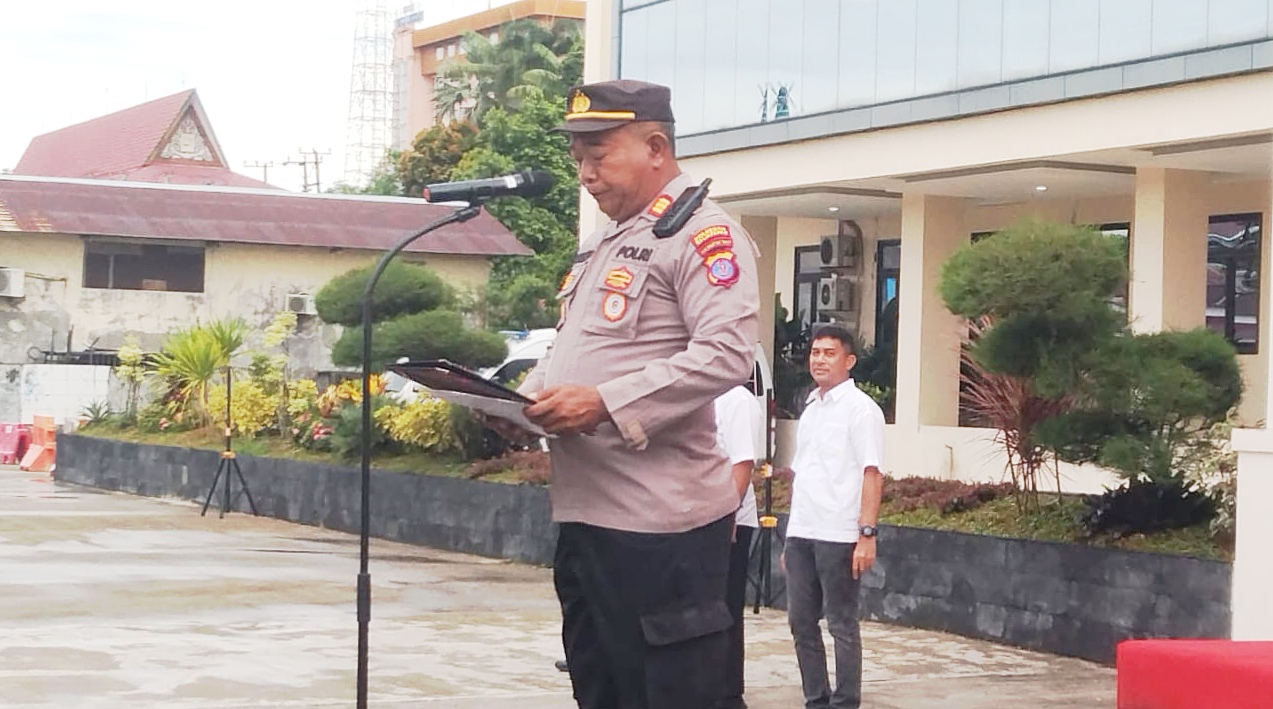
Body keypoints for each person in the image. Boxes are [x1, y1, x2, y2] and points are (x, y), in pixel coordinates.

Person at [512, 79, 761, 709]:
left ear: (655, 148)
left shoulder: (702, 234)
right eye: (578, 159)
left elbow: (727, 354)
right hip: (586, 522)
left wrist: (604, 403)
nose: (586, 174)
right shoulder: (603, 243)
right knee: (600, 691)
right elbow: (573, 349)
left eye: (599, 155)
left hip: (661, 532)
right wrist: (520, 403)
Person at [781, 324, 885, 709]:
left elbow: (871, 473)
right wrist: (791, 537)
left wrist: (866, 534)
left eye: (829, 353)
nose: (820, 360)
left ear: (849, 360)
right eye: (815, 352)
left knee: (841, 623)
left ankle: (845, 701)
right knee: (800, 622)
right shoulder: (811, 408)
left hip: (840, 534)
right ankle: (816, 698)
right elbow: (803, 474)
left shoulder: (861, 410)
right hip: (803, 532)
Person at [713, 384, 764, 709]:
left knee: (726, 607)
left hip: (730, 522)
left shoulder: (738, 401)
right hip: (699, 519)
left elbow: (743, 464)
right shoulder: (702, 395)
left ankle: (729, 694)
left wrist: (728, 514)